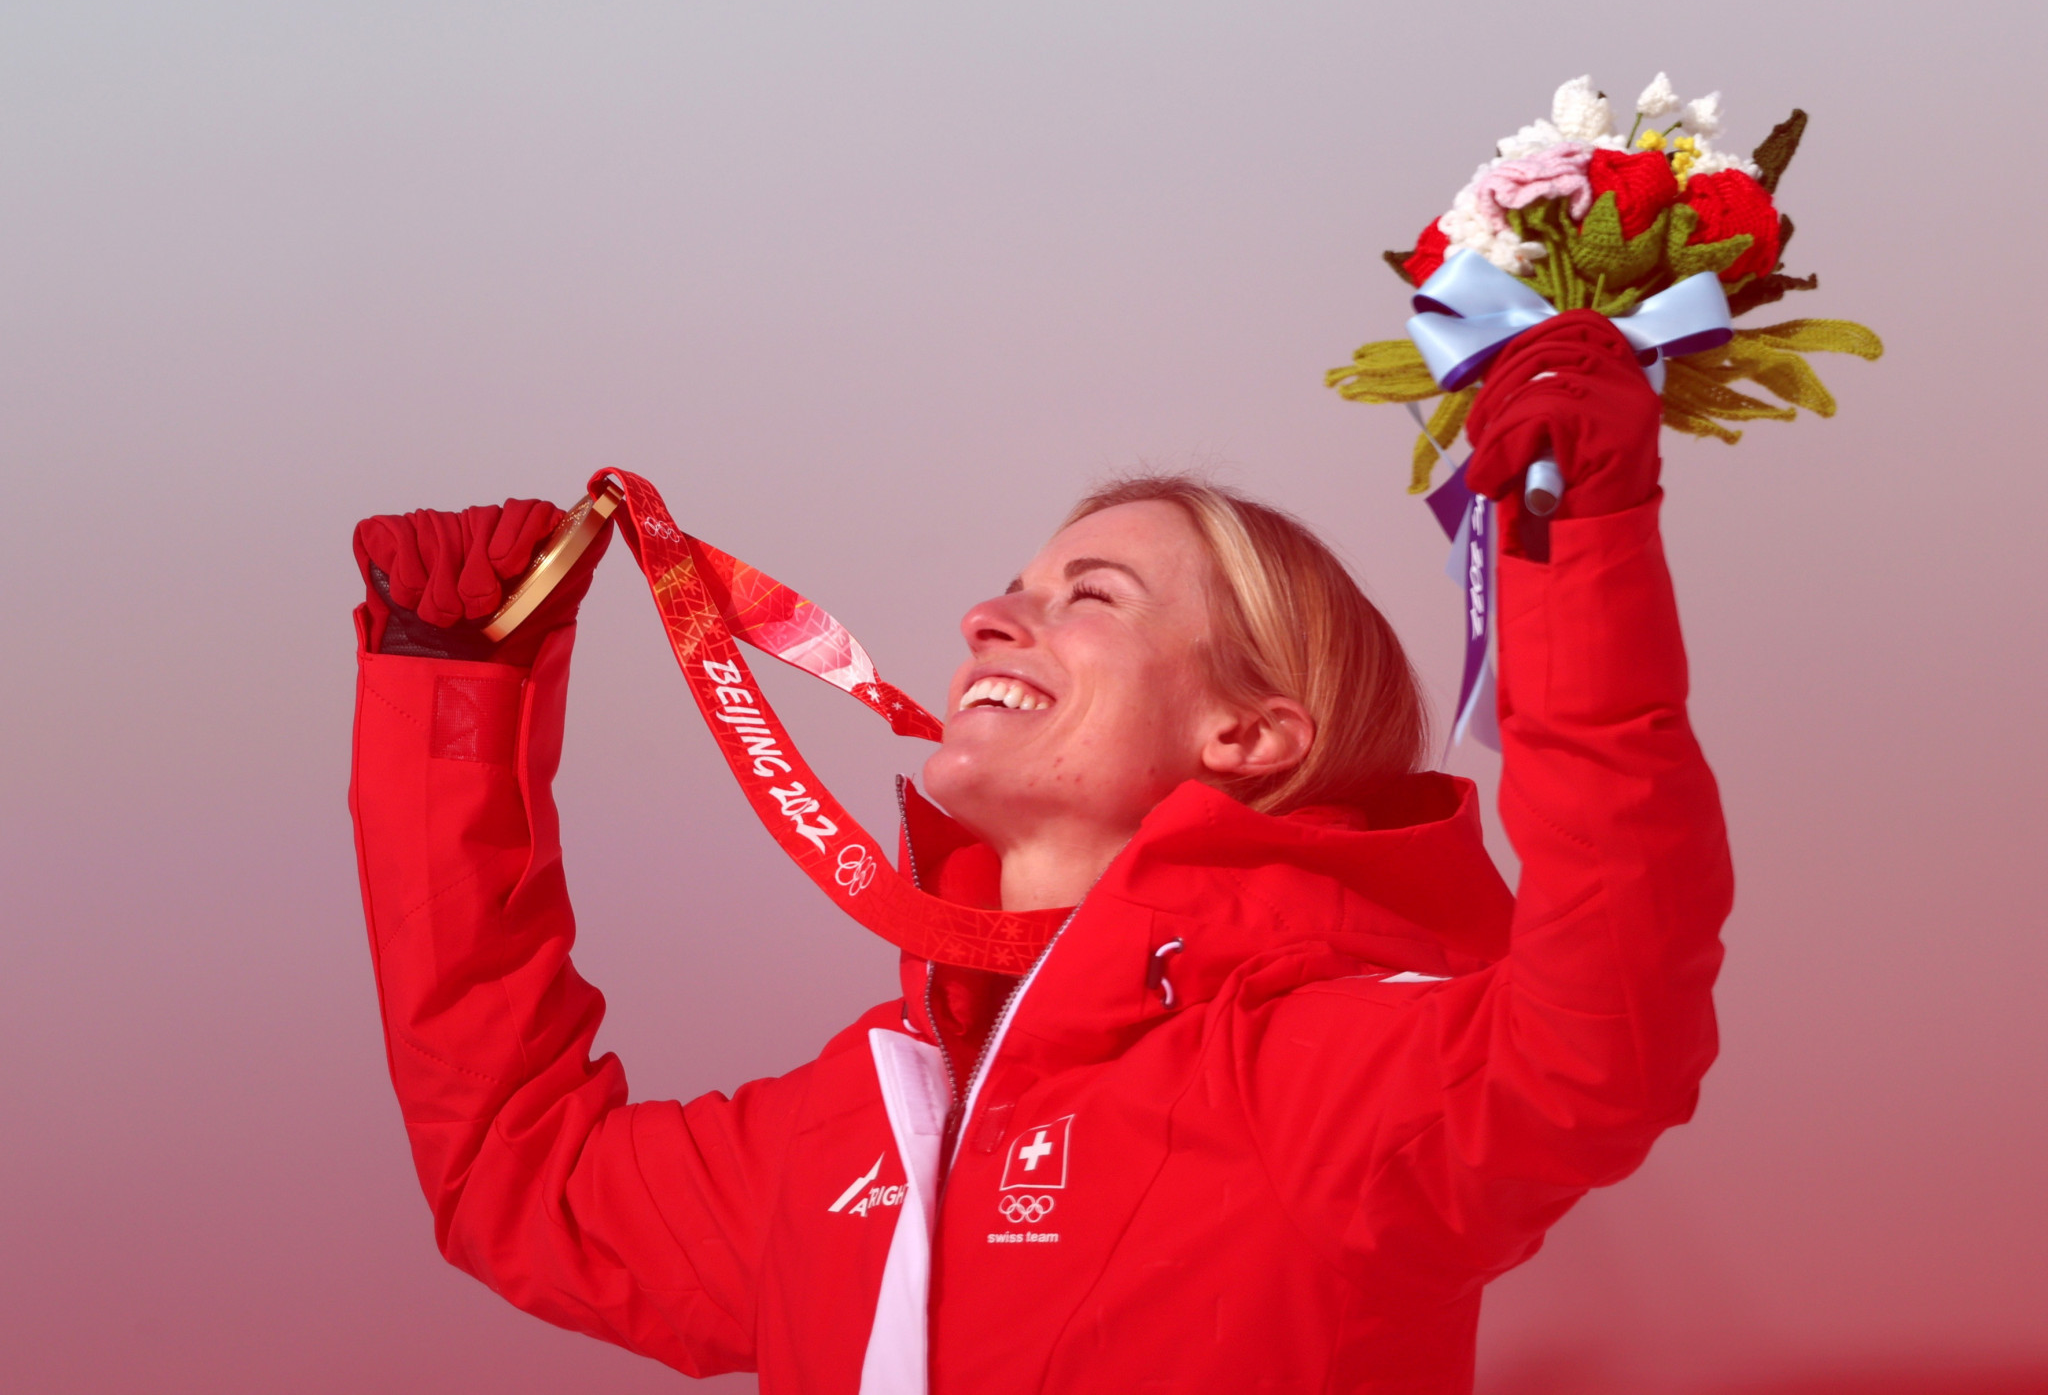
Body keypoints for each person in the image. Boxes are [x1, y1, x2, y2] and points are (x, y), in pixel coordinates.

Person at [347, 310, 1731, 1394]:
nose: (987, 619)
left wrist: (1572, 540)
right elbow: (522, 1182)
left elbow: (1600, 1035)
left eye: (1091, 597)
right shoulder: (855, 1122)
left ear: (1251, 733)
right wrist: (452, 689)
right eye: (1012, 590)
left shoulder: (1307, 1082)